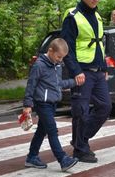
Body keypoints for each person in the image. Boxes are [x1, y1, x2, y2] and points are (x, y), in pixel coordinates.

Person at [61, 0, 112, 163]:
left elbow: (100, 44)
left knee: (105, 107)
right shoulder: (72, 16)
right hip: (82, 71)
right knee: (80, 110)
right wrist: (75, 71)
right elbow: (67, 49)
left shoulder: (97, 16)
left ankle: (79, 140)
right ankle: (80, 150)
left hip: (97, 70)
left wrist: (104, 66)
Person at [23, 38, 78, 172]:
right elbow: (31, 85)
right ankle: (63, 159)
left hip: (52, 103)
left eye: (62, 58)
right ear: (50, 51)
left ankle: (31, 157)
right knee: (52, 130)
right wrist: (27, 104)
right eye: (59, 56)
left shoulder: (57, 65)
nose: (60, 60)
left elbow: (58, 84)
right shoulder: (39, 65)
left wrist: (74, 82)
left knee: (42, 131)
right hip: (42, 103)